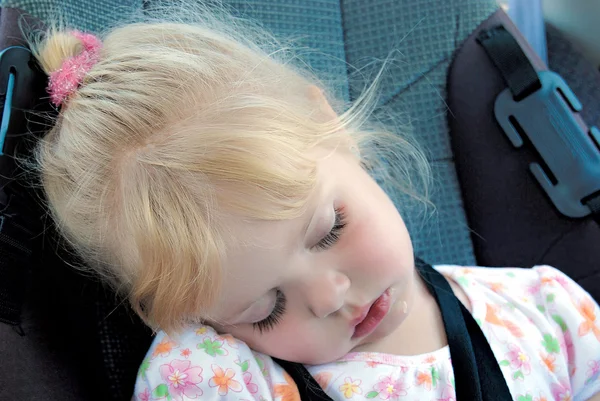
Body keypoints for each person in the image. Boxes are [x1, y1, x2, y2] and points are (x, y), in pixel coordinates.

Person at [27, 3, 600, 401]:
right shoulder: (219, 376)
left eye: (330, 230)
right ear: (186, 317)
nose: (330, 296)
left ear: (332, 128)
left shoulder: (545, 312)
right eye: (264, 310)